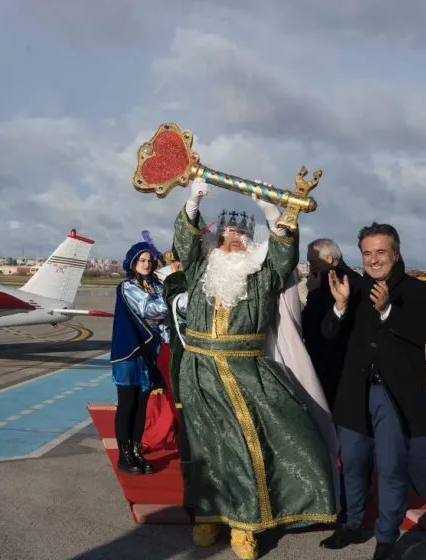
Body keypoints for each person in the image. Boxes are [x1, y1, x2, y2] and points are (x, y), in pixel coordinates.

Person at [171, 181, 337, 560]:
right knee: (204, 448)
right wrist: (193, 199)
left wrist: (269, 211)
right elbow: (184, 243)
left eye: (241, 237)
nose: (233, 242)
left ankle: (245, 526)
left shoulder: (262, 278)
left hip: (245, 372)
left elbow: (283, 254)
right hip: (198, 370)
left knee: (248, 447)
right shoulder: (200, 270)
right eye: (227, 236)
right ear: (215, 243)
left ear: (251, 244)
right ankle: (208, 516)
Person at [319, 223, 426, 560]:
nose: (373, 260)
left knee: (391, 467)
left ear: (396, 253)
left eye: (381, 252)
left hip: (393, 394)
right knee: (353, 462)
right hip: (354, 393)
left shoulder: (420, 291)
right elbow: (329, 334)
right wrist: (340, 306)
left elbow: (422, 332)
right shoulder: (352, 289)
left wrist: (388, 310)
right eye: (367, 253)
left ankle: (386, 537)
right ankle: (352, 524)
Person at [109, 240, 170, 475]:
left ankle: (136, 451)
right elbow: (149, 309)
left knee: (142, 406)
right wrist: (174, 296)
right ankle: (124, 456)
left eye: (149, 260)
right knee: (127, 404)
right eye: (142, 260)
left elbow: (166, 319)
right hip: (129, 352)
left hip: (149, 352)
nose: (146, 264)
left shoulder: (157, 285)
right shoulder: (127, 286)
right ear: (133, 262)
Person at [302, 238, 362, 409]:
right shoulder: (353, 278)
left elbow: (313, 324)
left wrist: (312, 294)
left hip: (331, 362)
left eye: (313, 261)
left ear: (328, 260)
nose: (310, 266)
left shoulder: (336, 282)